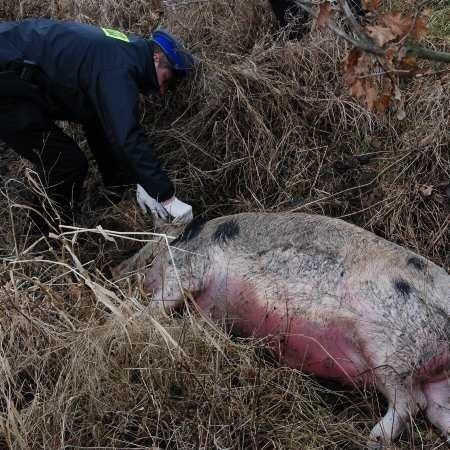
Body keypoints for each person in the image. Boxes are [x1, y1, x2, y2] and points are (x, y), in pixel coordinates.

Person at [0, 19, 195, 228]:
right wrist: (166, 196)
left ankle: (117, 188)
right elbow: (127, 137)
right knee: (67, 164)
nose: (163, 90)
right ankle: (45, 240)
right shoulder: (119, 68)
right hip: (7, 81)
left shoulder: (122, 52)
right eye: (167, 79)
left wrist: (136, 182)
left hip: (14, 63)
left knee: (92, 120)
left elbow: (101, 121)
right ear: (156, 58)